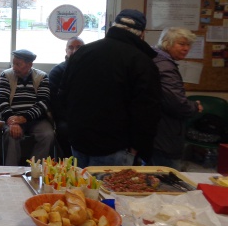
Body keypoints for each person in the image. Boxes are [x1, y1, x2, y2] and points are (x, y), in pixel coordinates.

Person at [60, 9, 161, 167]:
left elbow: (64, 94)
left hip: (79, 140)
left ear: (113, 26)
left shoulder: (83, 53)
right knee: (108, 185)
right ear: (142, 34)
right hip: (116, 146)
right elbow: (147, 110)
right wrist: (138, 147)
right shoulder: (141, 61)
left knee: (80, 183)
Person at [151, 27, 203, 169]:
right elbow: (176, 104)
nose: (186, 48)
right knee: (168, 177)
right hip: (164, 134)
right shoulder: (165, 67)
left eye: (188, 45)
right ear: (167, 43)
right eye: (181, 44)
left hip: (157, 132)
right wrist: (194, 106)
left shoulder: (156, 59)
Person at [0, 49, 54, 166]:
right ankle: (11, 171)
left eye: (18, 64)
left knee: (47, 135)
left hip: (36, 119)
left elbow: (43, 103)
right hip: (12, 117)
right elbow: (2, 101)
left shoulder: (42, 77)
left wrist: (24, 118)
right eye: (13, 63)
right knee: (11, 134)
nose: (14, 67)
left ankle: (34, 170)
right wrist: (12, 121)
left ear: (29, 65)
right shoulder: (6, 75)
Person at [48, 36, 84, 157]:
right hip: (65, 117)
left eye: (79, 47)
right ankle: (69, 161)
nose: (74, 51)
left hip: (86, 116)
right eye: (71, 47)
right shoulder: (57, 71)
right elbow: (54, 101)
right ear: (66, 50)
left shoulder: (91, 70)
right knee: (65, 130)